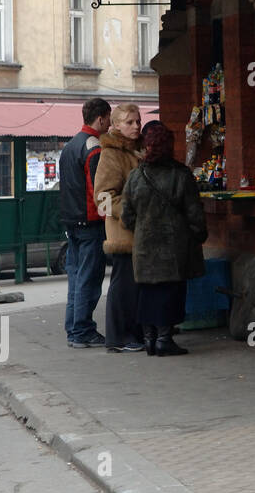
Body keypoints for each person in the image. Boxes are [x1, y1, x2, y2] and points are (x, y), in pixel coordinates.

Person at [122, 121, 206, 356]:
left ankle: (149, 339)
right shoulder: (181, 175)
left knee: (147, 292)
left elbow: (126, 216)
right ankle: (164, 339)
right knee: (169, 293)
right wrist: (199, 233)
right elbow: (194, 213)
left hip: (144, 248)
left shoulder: (136, 176)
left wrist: (142, 229)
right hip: (173, 248)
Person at [59, 97, 111, 348]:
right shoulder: (93, 147)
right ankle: (82, 330)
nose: (110, 125)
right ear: (101, 118)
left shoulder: (69, 146)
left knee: (76, 278)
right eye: (109, 119)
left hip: (71, 222)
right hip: (90, 223)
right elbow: (97, 188)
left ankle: (73, 328)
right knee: (89, 280)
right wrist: (108, 215)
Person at [96, 104, 145, 353]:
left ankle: (133, 333)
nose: (136, 126)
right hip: (123, 231)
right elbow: (102, 197)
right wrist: (130, 212)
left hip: (140, 231)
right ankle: (118, 337)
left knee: (135, 284)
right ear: (115, 125)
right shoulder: (111, 153)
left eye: (138, 121)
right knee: (123, 284)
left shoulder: (138, 150)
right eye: (129, 122)